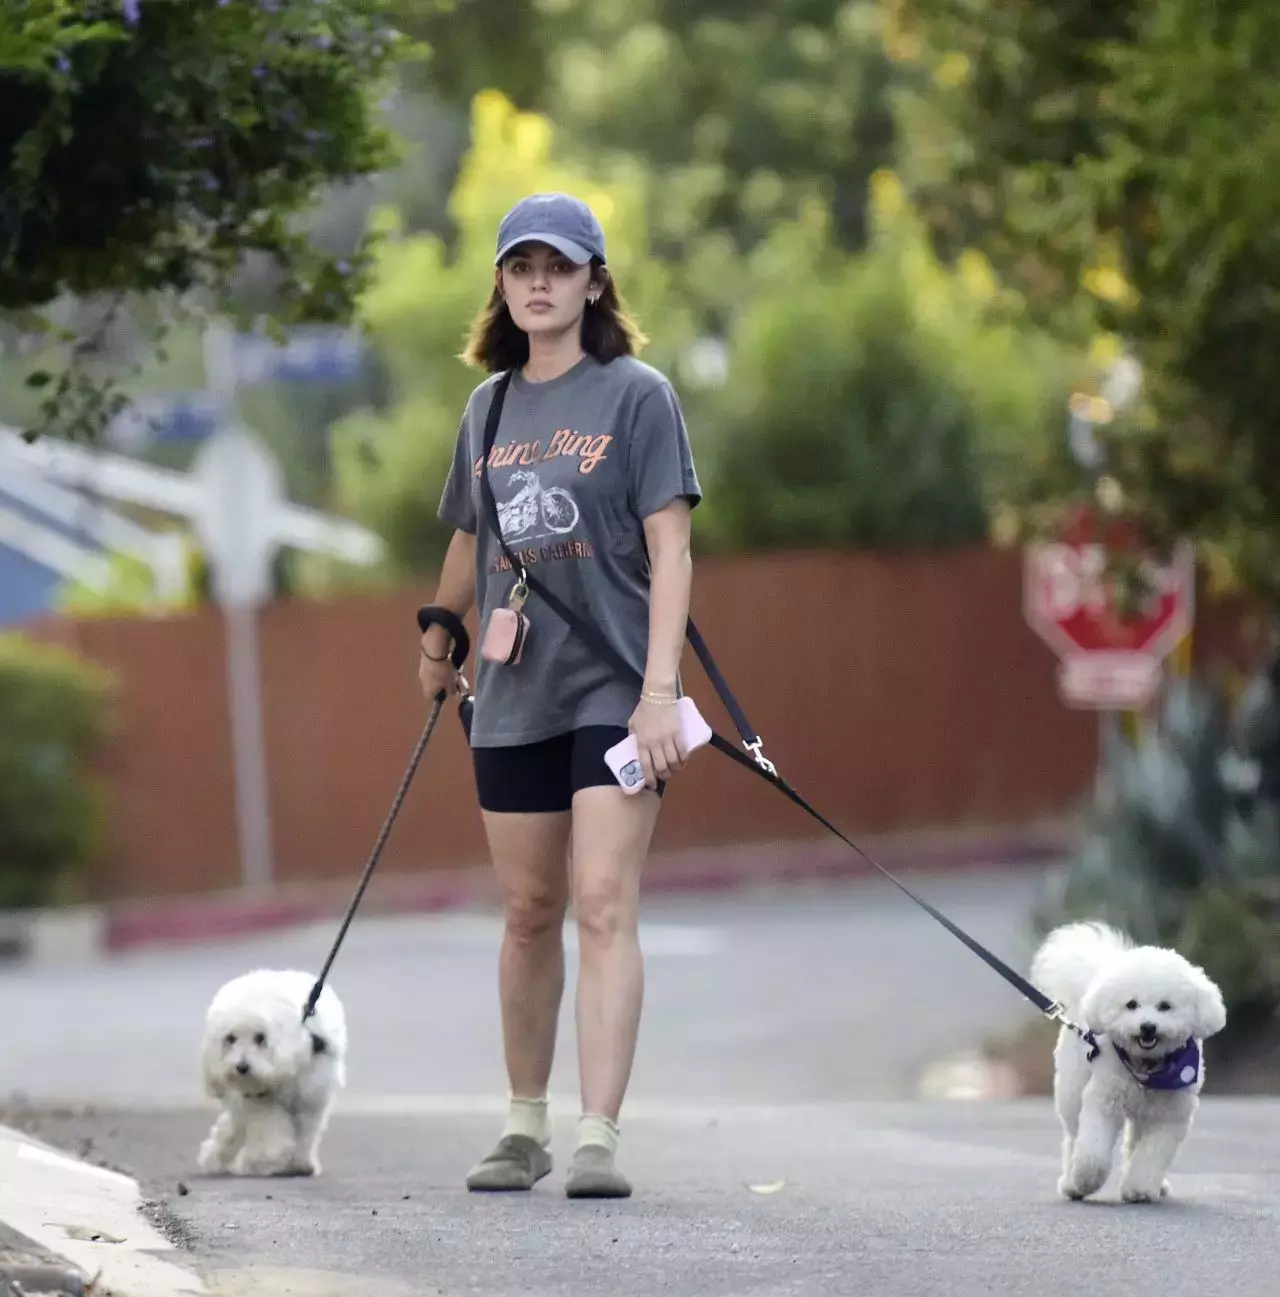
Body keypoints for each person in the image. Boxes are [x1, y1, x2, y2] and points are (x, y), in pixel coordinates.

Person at [417, 192, 702, 1199]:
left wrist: (659, 692)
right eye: (520, 266)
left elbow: (670, 549)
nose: (538, 282)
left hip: (616, 691)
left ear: (593, 280)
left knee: (599, 901)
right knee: (530, 908)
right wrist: (439, 631)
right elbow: (467, 535)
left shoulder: (637, 396)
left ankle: (597, 1136)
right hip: (510, 689)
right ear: (500, 283)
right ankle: (522, 1125)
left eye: (558, 265)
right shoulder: (487, 408)